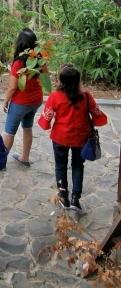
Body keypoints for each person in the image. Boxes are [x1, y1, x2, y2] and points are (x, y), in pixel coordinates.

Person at [38, 64, 107, 212]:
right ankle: (76, 198)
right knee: (78, 165)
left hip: (60, 137)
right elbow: (97, 114)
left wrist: (45, 124)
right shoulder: (86, 96)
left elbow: (46, 117)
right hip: (81, 137)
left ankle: (63, 196)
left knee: (60, 166)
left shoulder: (55, 96)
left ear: (61, 80)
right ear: (78, 80)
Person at [2, 28, 48, 167]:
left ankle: (1, 162)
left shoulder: (19, 63)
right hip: (36, 100)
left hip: (21, 102)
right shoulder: (41, 58)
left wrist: (5, 101)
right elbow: (46, 76)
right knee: (27, 127)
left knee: (9, 132)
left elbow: (12, 87)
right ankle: (25, 158)